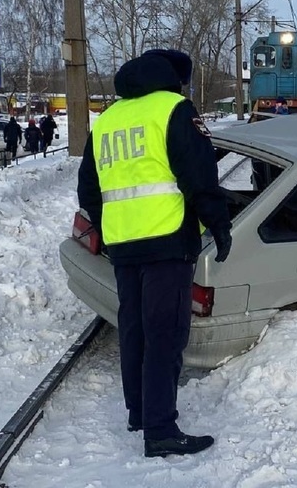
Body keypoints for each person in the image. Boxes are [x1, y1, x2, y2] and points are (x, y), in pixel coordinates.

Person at [77, 48, 232, 459]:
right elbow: (200, 174)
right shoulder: (175, 109)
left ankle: (140, 412)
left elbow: (89, 190)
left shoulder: (107, 119)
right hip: (167, 240)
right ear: (175, 79)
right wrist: (218, 222)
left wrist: (111, 226)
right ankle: (161, 429)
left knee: (135, 329)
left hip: (123, 245)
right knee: (166, 334)